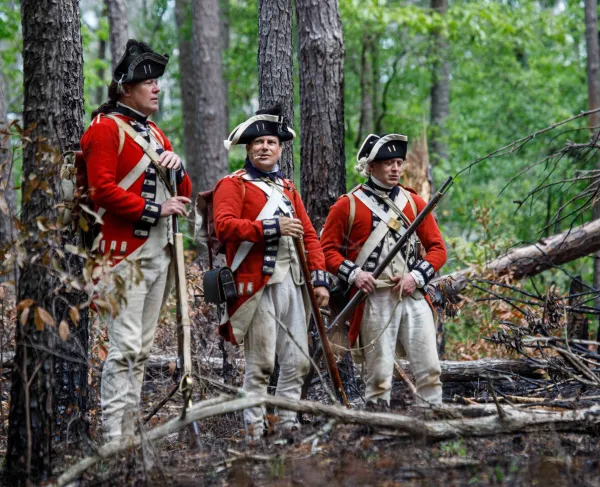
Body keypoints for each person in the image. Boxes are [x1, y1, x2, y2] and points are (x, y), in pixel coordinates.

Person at [80, 39, 192, 440]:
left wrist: (177, 168)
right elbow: (101, 191)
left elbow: (183, 192)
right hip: (120, 254)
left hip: (158, 252)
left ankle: (129, 435)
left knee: (142, 350)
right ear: (126, 88)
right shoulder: (105, 128)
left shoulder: (156, 133)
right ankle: (114, 440)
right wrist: (154, 210)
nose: (157, 87)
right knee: (125, 347)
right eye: (148, 81)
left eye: (158, 81)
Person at [213, 107, 330, 441]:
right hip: (257, 286)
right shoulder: (232, 185)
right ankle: (253, 431)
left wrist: (319, 278)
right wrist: (270, 226)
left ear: (280, 149)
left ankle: (287, 426)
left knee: (297, 362)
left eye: (271, 142)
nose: (264, 147)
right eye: (258, 142)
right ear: (248, 149)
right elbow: (224, 227)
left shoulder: (289, 188)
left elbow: (309, 235)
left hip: (295, 283)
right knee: (261, 364)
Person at [320, 133, 446, 408]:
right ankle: (377, 433)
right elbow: (325, 251)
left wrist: (416, 277)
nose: (396, 169)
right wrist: (355, 274)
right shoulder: (348, 205)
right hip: (373, 299)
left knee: (430, 370)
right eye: (388, 162)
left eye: (399, 162)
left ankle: (433, 426)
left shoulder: (414, 204)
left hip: (412, 295)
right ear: (370, 166)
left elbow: (438, 249)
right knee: (377, 377)